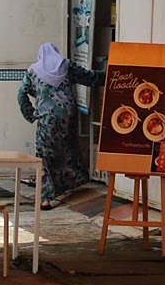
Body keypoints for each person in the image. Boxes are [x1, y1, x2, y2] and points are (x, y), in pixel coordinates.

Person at [17, 42, 103, 208]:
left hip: (47, 118)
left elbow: (21, 94)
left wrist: (31, 113)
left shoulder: (33, 71)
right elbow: (89, 77)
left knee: (43, 155)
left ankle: (45, 198)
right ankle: (70, 184)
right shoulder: (66, 65)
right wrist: (113, 74)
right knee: (67, 149)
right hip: (68, 116)